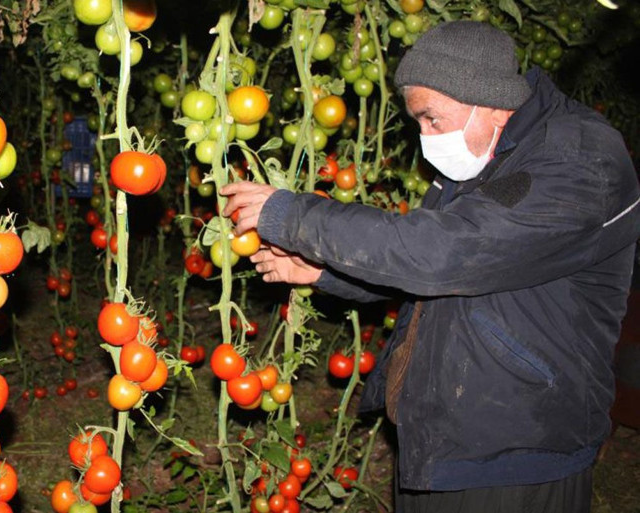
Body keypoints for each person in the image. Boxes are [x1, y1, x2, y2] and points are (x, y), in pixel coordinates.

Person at [221, 20, 640, 513]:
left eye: (431, 118)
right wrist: (324, 273)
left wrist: (292, 215)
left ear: (486, 98)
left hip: (518, 453)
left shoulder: (578, 160)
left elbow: (445, 252)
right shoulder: (484, 156)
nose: (425, 137)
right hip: (447, 440)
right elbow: (428, 269)